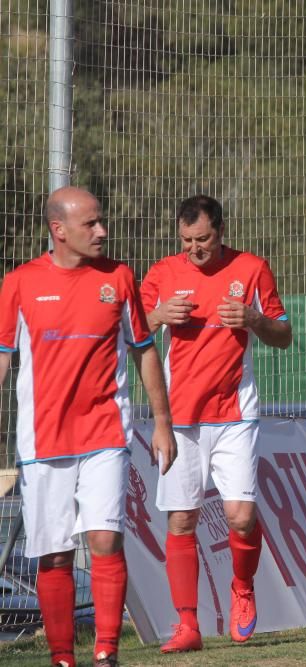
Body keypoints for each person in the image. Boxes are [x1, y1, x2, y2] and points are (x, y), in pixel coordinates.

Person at [0, 186, 177, 667]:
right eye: (91, 224)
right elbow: (2, 359)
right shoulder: (19, 283)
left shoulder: (118, 277)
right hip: (43, 440)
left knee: (105, 539)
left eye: (102, 222)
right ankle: (62, 656)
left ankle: (106, 653)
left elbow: (143, 350)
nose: (102, 231)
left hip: (106, 433)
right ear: (58, 230)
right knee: (55, 555)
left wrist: (162, 422)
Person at [140, 195, 292, 653]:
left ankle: (242, 589)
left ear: (221, 230)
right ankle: (188, 626)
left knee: (240, 517)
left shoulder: (252, 269)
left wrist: (253, 319)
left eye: (202, 239)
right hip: (178, 417)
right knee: (182, 519)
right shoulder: (163, 273)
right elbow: (129, 331)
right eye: (186, 241)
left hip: (235, 414)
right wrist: (158, 316)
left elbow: (283, 336)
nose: (194, 249)